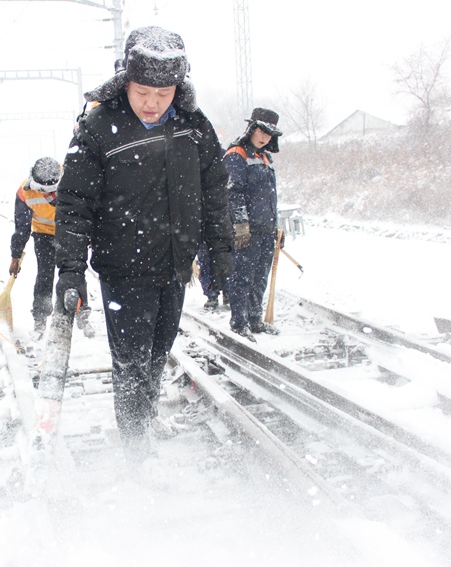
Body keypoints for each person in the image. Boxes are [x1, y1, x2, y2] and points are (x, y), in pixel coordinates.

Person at [51, 26, 233, 464]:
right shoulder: (97, 128)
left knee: (157, 354)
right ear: (125, 84)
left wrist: (219, 250)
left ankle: (145, 420)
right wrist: (71, 270)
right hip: (124, 270)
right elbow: (74, 204)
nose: (152, 102)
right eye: (142, 91)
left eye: (163, 92)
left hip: (174, 266)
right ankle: (136, 451)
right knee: (131, 365)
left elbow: (214, 189)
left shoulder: (194, 125)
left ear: (178, 88)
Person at [224, 108, 284, 341]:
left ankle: (255, 319)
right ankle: (239, 322)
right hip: (247, 230)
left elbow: (271, 196)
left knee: (260, 275)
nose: (264, 137)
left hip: (266, 229)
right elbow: (233, 193)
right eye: (261, 131)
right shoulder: (236, 154)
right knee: (242, 276)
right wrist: (241, 226)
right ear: (251, 129)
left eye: (269, 134)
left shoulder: (266, 158)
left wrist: (276, 227)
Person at [8, 157, 63, 340]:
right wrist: (15, 256)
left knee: (72, 274)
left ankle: (79, 314)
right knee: (45, 275)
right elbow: (22, 227)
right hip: (43, 235)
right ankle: (40, 319)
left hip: (69, 231)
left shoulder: (72, 177)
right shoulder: (25, 193)